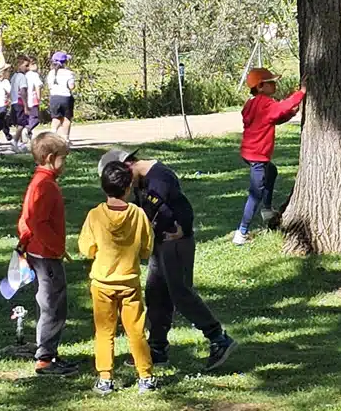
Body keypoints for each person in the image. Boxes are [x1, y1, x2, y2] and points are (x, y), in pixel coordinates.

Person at [97, 148, 237, 371]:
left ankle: (218, 338)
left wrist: (183, 228)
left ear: (128, 164)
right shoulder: (142, 180)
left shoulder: (159, 178)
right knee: (156, 294)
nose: (126, 188)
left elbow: (177, 209)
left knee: (180, 293)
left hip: (175, 244)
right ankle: (157, 348)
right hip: (160, 243)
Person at [78, 160, 157, 395]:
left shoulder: (95, 215)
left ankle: (105, 378)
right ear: (128, 188)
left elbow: (86, 248)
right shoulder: (139, 214)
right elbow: (147, 249)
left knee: (104, 331)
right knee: (136, 331)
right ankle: (145, 376)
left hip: (102, 284)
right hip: (129, 282)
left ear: (103, 187)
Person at [16, 132, 78, 376]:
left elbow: (25, 219)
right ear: (51, 158)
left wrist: (25, 240)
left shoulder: (39, 182)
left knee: (49, 301)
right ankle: (45, 358)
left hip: (38, 251)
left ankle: (47, 351)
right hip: (46, 255)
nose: (65, 163)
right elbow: (36, 221)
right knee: (53, 305)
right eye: (64, 158)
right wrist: (57, 248)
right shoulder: (45, 186)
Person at [234, 68, 305, 246]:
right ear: (260, 86)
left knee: (271, 171)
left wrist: (291, 113)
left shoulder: (252, 104)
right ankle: (241, 232)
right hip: (257, 156)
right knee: (255, 193)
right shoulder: (265, 103)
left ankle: (266, 209)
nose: (274, 85)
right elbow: (281, 108)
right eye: (271, 82)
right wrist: (301, 93)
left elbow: (273, 118)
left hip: (249, 153)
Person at [46, 51, 75, 143]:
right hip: (65, 97)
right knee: (66, 119)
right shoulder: (68, 73)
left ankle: (52, 134)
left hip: (54, 97)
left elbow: (49, 86)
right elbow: (71, 86)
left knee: (55, 118)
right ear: (65, 62)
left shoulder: (51, 73)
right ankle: (65, 138)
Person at [10, 55, 30, 153]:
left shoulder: (14, 76)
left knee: (19, 123)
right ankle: (15, 141)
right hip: (20, 102)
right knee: (22, 124)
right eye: (26, 66)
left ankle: (20, 143)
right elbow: (22, 91)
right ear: (19, 65)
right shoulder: (22, 77)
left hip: (14, 102)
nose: (28, 68)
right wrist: (26, 106)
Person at [25, 57, 43, 141]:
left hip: (25, 99)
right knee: (35, 118)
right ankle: (27, 129)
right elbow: (37, 86)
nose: (36, 65)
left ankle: (28, 133)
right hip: (32, 98)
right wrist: (39, 98)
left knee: (28, 118)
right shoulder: (34, 75)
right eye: (33, 64)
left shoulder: (24, 75)